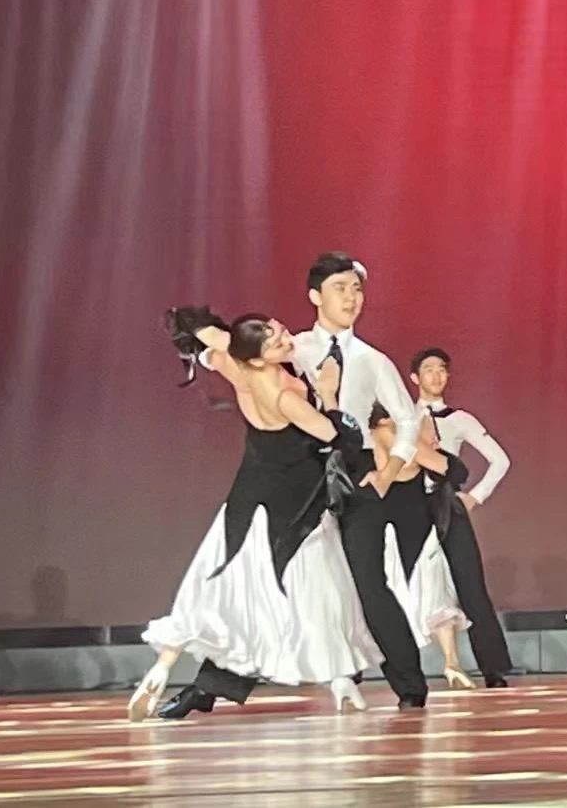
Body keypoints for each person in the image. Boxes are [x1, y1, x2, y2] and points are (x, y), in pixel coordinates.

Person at [161, 253, 437, 714]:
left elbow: (407, 420)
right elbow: (236, 356)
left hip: (356, 476)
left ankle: (410, 686)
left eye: (356, 289)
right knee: (272, 582)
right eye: (340, 288)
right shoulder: (292, 346)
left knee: (368, 582)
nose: (351, 298)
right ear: (315, 296)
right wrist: (202, 341)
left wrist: (388, 473)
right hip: (302, 482)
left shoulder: (372, 360)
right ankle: (209, 687)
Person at [131, 310, 380, 720]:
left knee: (234, 586)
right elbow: (337, 436)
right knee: (315, 590)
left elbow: (204, 331)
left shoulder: (237, 362)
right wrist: (329, 393)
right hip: (291, 505)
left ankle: (167, 670)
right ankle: (340, 680)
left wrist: (200, 343)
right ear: (260, 357)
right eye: (275, 340)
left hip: (252, 495)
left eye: (279, 328)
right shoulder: (282, 396)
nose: (285, 337)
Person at [407, 347, 515, 687]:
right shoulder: (401, 417)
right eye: (428, 369)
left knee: (470, 583)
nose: (436, 375)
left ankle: (493, 668)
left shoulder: (460, 419)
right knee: (406, 581)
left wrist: (474, 497)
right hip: (407, 505)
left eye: (442, 369)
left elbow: (500, 460)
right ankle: (408, 670)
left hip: (446, 503)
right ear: (414, 378)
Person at [365, 405, 477, 690]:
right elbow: (452, 470)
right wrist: (437, 453)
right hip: (406, 521)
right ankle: (450, 662)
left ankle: (447, 663)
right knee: (430, 591)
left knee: (410, 592)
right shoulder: (394, 435)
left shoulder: (370, 435)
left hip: (394, 520)